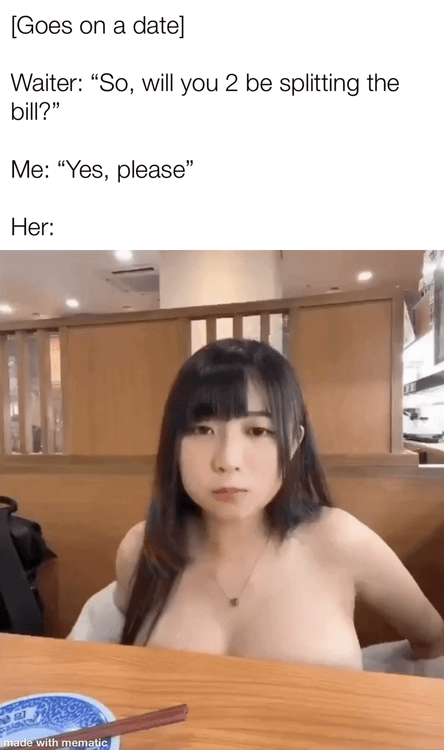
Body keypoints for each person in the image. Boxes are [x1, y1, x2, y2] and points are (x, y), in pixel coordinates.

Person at [114, 338, 444, 669]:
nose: (228, 460)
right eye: (202, 429)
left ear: (294, 443)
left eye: (258, 431)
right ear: (173, 443)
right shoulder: (143, 550)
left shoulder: (339, 541)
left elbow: (434, 641)